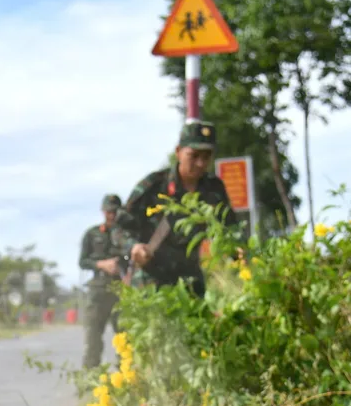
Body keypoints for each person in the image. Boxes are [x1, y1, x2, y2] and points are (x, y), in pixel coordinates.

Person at [113, 120, 239, 299]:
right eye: (194, 156)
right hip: (150, 281)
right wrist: (132, 246)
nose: (200, 163)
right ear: (178, 152)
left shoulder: (214, 189)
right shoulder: (153, 185)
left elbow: (230, 229)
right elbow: (119, 227)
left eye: (206, 156)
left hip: (190, 280)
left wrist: (238, 253)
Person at [78, 193, 124, 369]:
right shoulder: (92, 234)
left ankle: (126, 382)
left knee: (124, 338)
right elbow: (83, 262)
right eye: (109, 211)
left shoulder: (127, 235)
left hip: (122, 290)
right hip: (98, 291)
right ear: (103, 212)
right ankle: (91, 380)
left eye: (115, 211)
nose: (112, 215)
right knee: (93, 338)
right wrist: (102, 264)